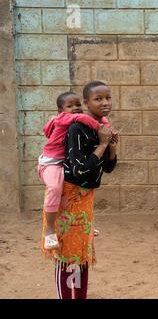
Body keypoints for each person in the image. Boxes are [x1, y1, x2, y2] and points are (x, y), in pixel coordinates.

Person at [42, 80, 118, 299]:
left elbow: (110, 168)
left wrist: (111, 148)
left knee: (82, 255)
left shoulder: (103, 128)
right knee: (67, 256)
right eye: (98, 99)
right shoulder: (77, 128)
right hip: (68, 197)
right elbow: (78, 171)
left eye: (108, 97)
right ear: (87, 103)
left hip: (86, 200)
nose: (105, 102)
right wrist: (102, 145)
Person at [38, 91, 109, 250]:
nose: (75, 109)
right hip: (51, 163)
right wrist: (102, 128)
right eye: (69, 106)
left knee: (73, 191)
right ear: (60, 111)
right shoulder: (67, 119)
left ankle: (83, 224)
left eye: (78, 105)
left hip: (63, 162)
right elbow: (84, 118)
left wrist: (105, 123)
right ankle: (50, 231)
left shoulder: (70, 121)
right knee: (55, 188)